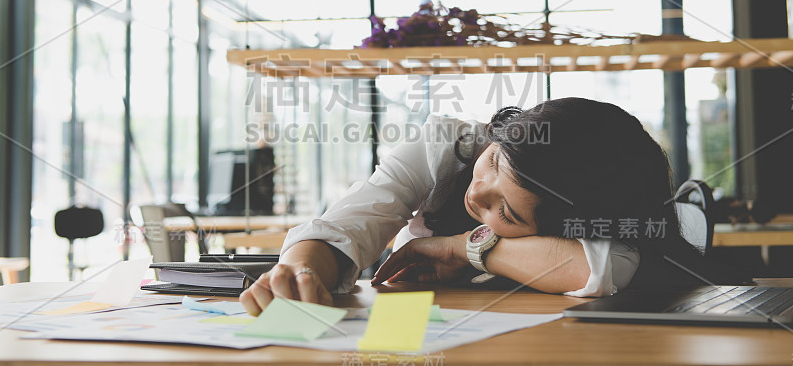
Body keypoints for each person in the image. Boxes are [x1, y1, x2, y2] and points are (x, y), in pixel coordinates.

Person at [240, 97, 748, 315]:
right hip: (419, 336)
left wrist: (460, 247)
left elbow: (606, 265)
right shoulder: (445, 144)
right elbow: (353, 219)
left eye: (506, 213)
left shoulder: (599, 215)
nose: (477, 194)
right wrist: (298, 269)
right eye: (493, 163)